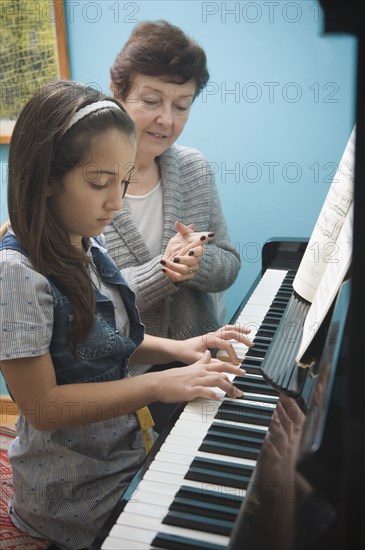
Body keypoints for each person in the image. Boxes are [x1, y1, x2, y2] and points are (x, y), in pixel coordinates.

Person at [0, 80, 253, 550]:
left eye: (121, 181)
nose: (115, 202)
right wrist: (159, 383)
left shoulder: (84, 243)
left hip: (123, 460)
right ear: (46, 178)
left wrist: (181, 347)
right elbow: (43, 407)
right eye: (99, 183)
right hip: (73, 496)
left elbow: (105, 338)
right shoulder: (14, 276)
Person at [105, 19, 241, 347]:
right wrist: (164, 271)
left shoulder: (194, 168)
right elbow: (84, 300)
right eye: (151, 101)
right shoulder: (87, 179)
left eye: (181, 106)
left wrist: (198, 263)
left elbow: (230, 264)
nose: (167, 119)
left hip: (196, 353)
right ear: (117, 91)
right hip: (122, 370)